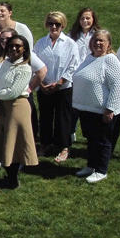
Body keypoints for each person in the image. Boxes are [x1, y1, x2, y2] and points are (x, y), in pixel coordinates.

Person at [72, 30, 120, 183]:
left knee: (103, 141)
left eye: (102, 40)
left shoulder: (110, 60)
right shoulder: (89, 58)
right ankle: (91, 166)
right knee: (91, 139)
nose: (98, 43)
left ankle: (101, 170)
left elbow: (118, 84)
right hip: (87, 109)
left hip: (102, 110)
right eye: (95, 40)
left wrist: (110, 109)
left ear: (108, 44)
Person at [0, 35, 38, 189]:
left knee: (14, 143)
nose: (14, 49)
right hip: (3, 106)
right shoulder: (6, 64)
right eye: (11, 46)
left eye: (18, 46)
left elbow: (13, 92)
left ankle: (13, 179)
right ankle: (9, 176)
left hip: (17, 107)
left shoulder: (25, 68)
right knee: (4, 140)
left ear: (25, 49)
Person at [33, 11, 79, 163]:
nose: (54, 26)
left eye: (57, 24)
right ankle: (45, 144)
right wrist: (41, 83)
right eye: (51, 23)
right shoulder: (40, 43)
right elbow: (33, 64)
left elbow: (74, 65)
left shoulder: (70, 44)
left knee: (63, 118)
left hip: (63, 88)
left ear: (63, 25)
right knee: (45, 117)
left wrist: (59, 82)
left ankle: (63, 147)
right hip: (44, 86)